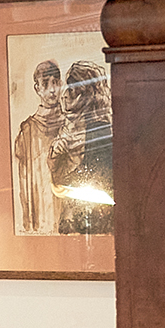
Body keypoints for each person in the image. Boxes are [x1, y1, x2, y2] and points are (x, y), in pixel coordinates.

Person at [48, 58, 114, 236]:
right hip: (78, 215)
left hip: (92, 219)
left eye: (71, 89)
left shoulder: (98, 129)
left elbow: (95, 172)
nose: (64, 95)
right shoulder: (72, 126)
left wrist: (62, 183)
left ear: (85, 95)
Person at [12, 58, 65, 234]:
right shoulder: (27, 130)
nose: (52, 89)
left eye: (55, 82)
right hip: (39, 218)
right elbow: (23, 180)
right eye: (46, 83)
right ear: (37, 88)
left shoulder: (70, 125)